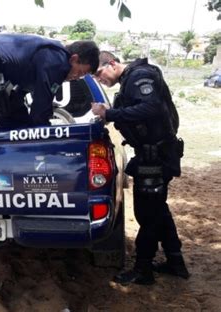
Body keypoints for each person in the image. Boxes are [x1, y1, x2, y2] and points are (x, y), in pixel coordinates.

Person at [91, 51, 189, 285]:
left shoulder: (139, 76)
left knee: (147, 214)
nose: (98, 79)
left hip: (156, 157)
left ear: (112, 64)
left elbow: (151, 107)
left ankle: (143, 269)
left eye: (99, 73)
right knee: (158, 210)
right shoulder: (130, 81)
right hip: (153, 155)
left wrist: (111, 113)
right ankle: (176, 262)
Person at [0, 34, 100, 132]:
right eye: (80, 72)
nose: (76, 77)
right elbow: (41, 107)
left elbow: (23, 97)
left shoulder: (52, 55)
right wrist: (48, 140)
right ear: (73, 59)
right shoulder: (57, 61)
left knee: (18, 125)